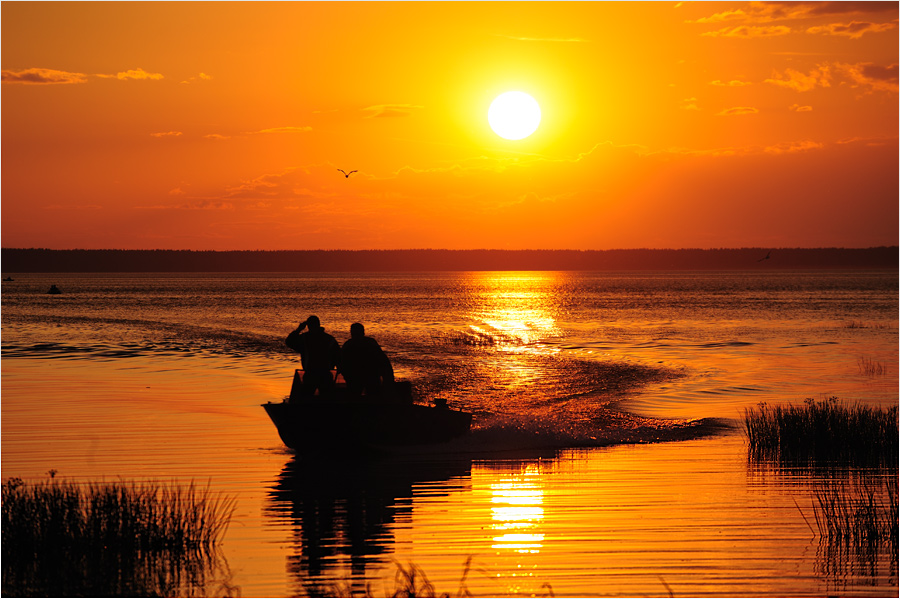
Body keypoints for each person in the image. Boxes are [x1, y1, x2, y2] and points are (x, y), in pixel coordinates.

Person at [285, 315, 341, 398]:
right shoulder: (329, 339)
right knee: (327, 399)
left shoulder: (304, 338)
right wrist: (339, 367)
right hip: (322, 374)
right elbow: (338, 356)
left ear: (308, 326)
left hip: (314, 374)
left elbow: (289, 342)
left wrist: (298, 329)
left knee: (306, 399)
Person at [340, 322, 394, 398]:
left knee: (360, 396)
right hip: (361, 376)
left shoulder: (349, 344)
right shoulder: (368, 343)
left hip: (365, 376)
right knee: (369, 396)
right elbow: (383, 360)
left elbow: (342, 362)